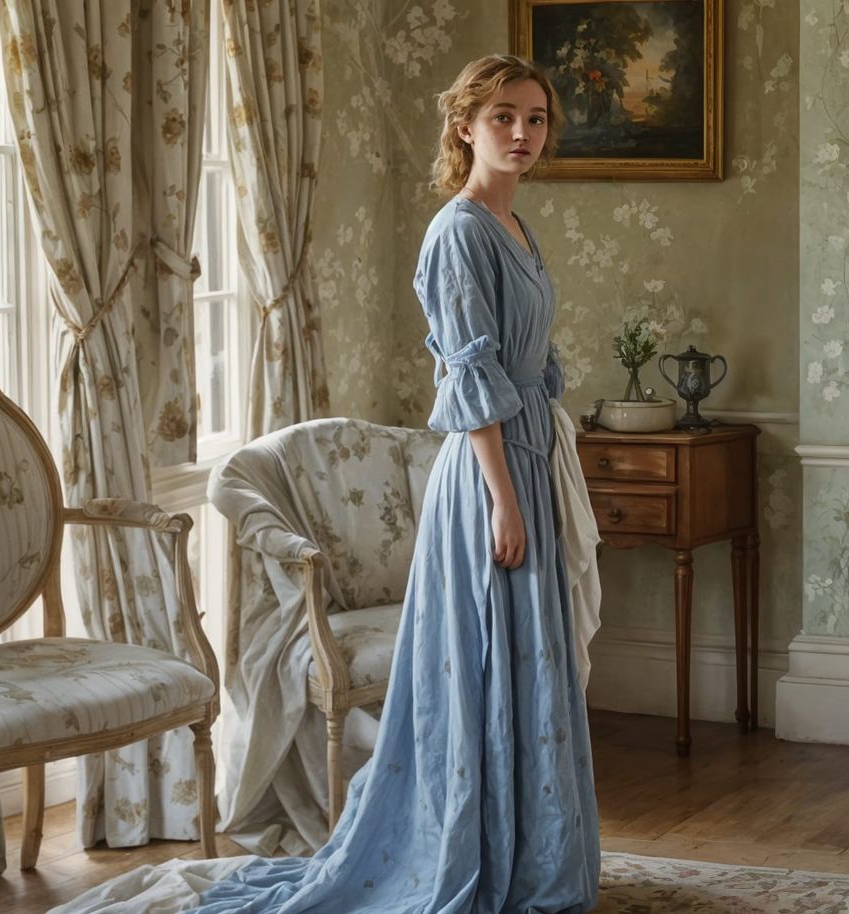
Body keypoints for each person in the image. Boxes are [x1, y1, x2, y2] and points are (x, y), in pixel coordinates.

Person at [178, 54, 601, 914]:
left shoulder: (517, 228)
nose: (522, 134)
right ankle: (461, 852)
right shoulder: (458, 231)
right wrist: (505, 502)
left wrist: (542, 478)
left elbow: (529, 368)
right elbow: (470, 380)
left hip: (524, 461)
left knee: (529, 670)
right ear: (465, 127)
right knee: (485, 670)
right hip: (488, 478)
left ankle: (527, 859)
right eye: (503, 119)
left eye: (535, 119)